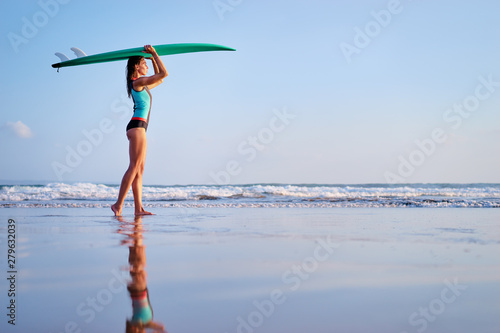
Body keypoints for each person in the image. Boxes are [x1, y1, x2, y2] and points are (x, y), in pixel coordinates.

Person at [111, 45, 168, 216]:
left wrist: (151, 58)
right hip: (136, 128)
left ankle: (138, 209)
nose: (147, 67)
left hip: (139, 128)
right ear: (137, 66)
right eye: (144, 63)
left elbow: (161, 78)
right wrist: (154, 54)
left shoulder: (142, 84)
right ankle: (118, 205)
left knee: (139, 169)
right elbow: (164, 74)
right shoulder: (138, 82)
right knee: (134, 167)